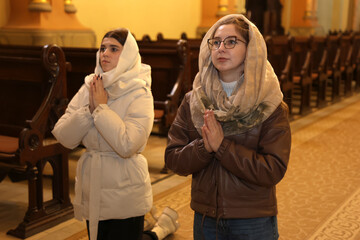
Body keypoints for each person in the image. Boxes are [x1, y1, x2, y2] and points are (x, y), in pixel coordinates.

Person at [165, 14, 291, 240]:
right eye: (216, 42)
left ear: (250, 49)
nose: (221, 48)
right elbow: (174, 159)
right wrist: (205, 147)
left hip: (253, 219)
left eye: (231, 41)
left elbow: (273, 169)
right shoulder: (193, 101)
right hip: (206, 218)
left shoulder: (270, 104)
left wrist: (222, 147)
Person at [52, 28, 178, 240]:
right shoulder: (90, 85)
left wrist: (101, 110)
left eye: (114, 49)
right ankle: (161, 228)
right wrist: (88, 110)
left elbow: (128, 145)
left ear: (128, 54)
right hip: (93, 185)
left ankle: (160, 230)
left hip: (125, 188)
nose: (105, 54)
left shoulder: (140, 92)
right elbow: (63, 136)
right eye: (102, 48)